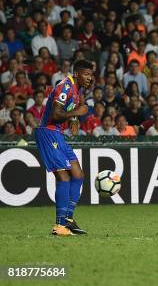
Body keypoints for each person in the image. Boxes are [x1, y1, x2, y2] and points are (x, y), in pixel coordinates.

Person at [34, 60, 93, 236]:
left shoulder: (77, 89)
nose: (90, 78)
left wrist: (74, 120)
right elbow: (56, 114)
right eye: (86, 74)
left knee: (78, 174)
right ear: (76, 74)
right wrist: (77, 113)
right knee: (63, 176)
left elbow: (69, 111)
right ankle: (59, 225)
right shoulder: (65, 86)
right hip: (47, 133)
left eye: (91, 75)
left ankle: (68, 219)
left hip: (57, 134)